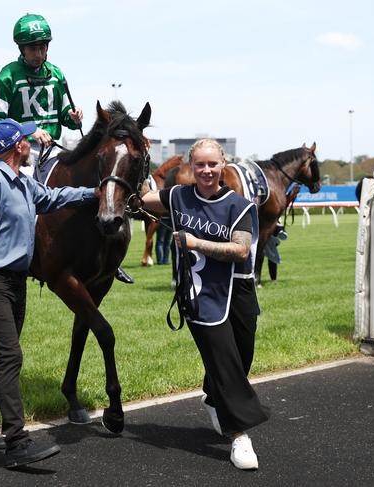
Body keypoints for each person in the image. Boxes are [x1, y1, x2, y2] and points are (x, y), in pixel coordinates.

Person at [0, 118, 98, 469]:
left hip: (16, 282)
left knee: (4, 356)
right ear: (19, 147)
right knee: (11, 356)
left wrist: (93, 193)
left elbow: (53, 198)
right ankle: (17, 443)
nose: (32, 143)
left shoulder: (23, 183)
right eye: (28, 139)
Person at [140, 139, 270, 470]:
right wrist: (138, 176)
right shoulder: (179, 195)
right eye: (200, 164)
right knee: (225, 363)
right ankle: (239, 435)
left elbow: (241, 251)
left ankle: (212, 397)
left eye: (212, 164)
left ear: (223, 164)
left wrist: (195, 241)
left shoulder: (239, 204)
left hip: (238, 291)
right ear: (191, 166)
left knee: (241, 359)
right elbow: (146, 200)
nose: (207, 170)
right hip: (199, 295)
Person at [0, 12, 133, 285]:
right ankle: (27, 252)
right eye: (34, 48)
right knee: (24, 193)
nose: (40, 53)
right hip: (18, 150)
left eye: (44, 46)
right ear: (21, 48)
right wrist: (29, 130)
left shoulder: (56, 74)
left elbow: (62, 114)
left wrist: (72, 116)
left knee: (91, 180)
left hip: (52, 147)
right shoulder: (7, 76)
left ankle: (108, 257)